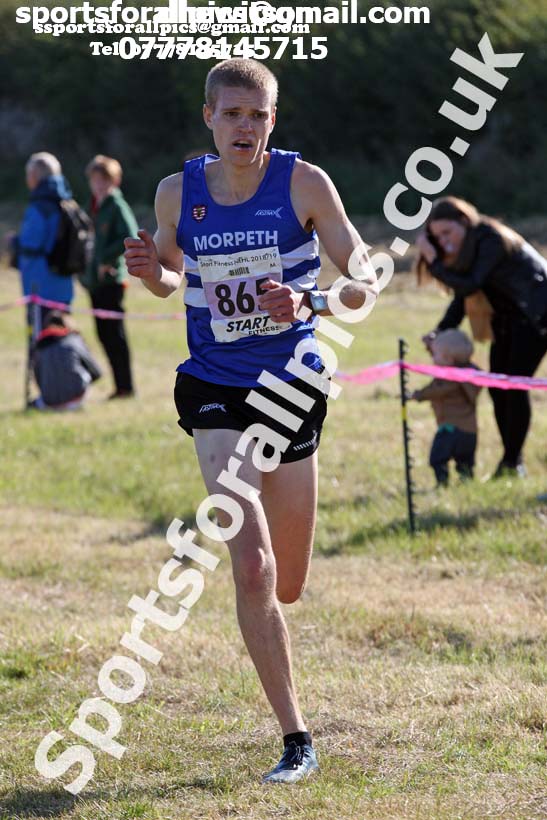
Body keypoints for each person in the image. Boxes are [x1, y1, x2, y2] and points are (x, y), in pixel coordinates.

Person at [124, 59, 378, 784]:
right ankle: (296, 738)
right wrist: (151, 272)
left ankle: (282, 614)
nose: (245, 128)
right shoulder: (178, 190)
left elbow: (362, 280)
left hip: (290, 385)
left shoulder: (304, 184)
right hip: (212, 387)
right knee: (253, 563)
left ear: (274, 119)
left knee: (289, 581)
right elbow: (170, 274)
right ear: (208, 117)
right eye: (231, 114)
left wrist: (310, 305)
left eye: (257, 116)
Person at [415, 196, 547, 478]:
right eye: (437, 237)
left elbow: (470, 283)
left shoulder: (491, 239)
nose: (444, 241)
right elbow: (465, 295)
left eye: (447, 233)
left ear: (464, 221)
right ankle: (512, 461)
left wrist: (435, 260)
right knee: (497, 386)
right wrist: (440, 330)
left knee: (514, 385)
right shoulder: (468, 248)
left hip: (536, 318)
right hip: (507, 322)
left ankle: (512, 462)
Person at [10, 152, 74, 398]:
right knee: (62, 339)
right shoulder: (66, 200)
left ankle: (47, 393)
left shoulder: (40, 205)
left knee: (42, 341)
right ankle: (65, 388)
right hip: (63, 286)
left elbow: (32, 243)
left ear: (35, 175)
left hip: (40, 288)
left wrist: (15, 242)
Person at [83, 155, 138, 399]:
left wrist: (106, 259)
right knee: (103, 335)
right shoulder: (93, 205)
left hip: (112, 280)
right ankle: (120, 386)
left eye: (103, 180)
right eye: (95, 180)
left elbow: (130, 235)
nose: (99, 185)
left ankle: (125, 387)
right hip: (95, 282)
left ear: (114, 181)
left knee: (115, 336)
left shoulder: (117, 206)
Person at [411, 329, 481, 486]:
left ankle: (442, 484)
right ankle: (467, 484)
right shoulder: (470, 374)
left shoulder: (451, 379)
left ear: (448, 359)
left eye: (435, 354)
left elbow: (436, 389)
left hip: (451, 429)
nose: (432, 357)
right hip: (470, 431)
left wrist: (417, 395)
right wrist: (432, 345)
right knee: (465, 462)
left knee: (437, 458)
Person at [32, 310, 102, 410]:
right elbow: (96, 371)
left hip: (48, 402)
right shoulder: (74, 340)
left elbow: (38, 378)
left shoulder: (39, 347)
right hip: (76, 399)